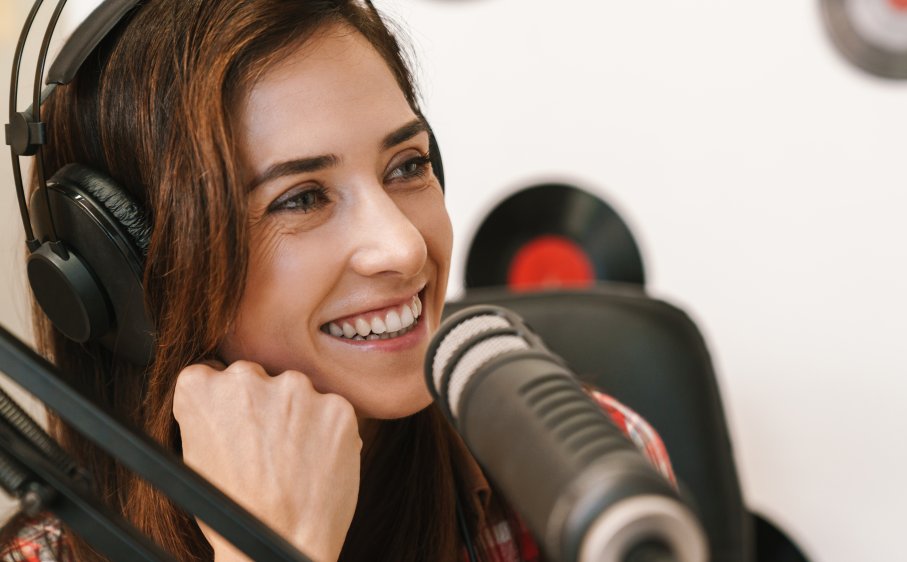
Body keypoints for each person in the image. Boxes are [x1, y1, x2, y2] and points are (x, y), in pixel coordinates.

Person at [0, 1, 675, 561]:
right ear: (127, 272)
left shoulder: (585, 478)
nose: (403, 247)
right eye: (301, 199)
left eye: (407, 166)